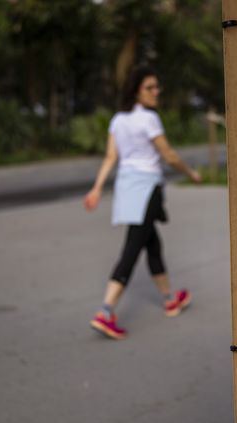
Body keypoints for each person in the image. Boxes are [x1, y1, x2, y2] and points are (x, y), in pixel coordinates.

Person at [84, 65, 201, 339]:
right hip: (146, 189)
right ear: (137, 91)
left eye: (157, 86)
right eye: (150, 87)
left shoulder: (118, 120)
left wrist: (97, 187)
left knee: (152, 244)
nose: (156, 91)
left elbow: (112, 157)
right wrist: (191, 173)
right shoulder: (148, 119)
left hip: (127, 189)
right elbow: (169, 156)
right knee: (133, 248)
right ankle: (105, 311)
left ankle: (170, 299)